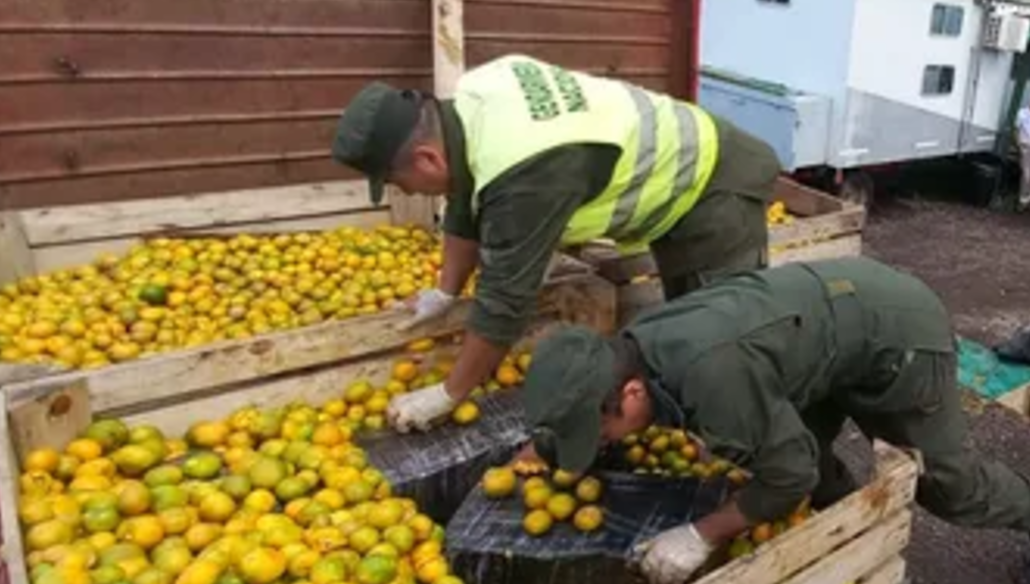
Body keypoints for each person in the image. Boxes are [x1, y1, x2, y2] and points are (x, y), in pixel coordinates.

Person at [517, 258, 1030, 584]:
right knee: (784, 447)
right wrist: (541, 446)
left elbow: (788, 473)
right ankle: (850, 522)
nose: (604, 447)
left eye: (601, 434)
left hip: (897, 339)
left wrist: (701, 534)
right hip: (829, 329)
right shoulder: (635, 349)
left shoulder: (709, 376)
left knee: (949, 486)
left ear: (630, 393)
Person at [331, 54, 781, 431]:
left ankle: (775, 462)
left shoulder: (525, 173)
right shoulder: (474, 98)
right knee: (689, 321)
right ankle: (702, 418)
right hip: (679, 182)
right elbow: (466, 199)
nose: (405, 194)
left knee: (727, 337)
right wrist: (445, 291)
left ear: (427, 157)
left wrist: (448, 394)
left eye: (398, 182)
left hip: (716, 185)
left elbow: (505, 302)